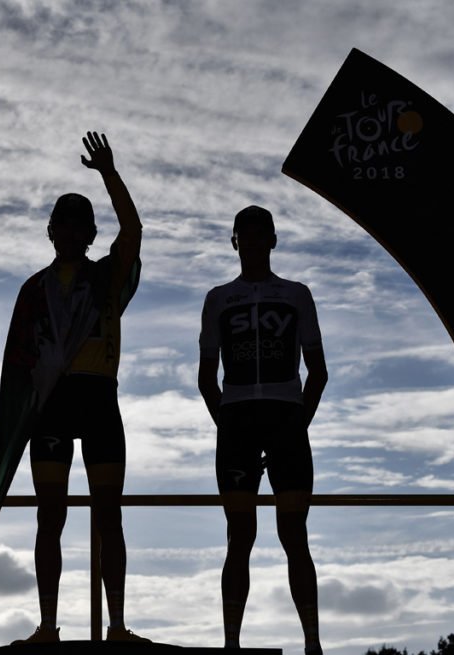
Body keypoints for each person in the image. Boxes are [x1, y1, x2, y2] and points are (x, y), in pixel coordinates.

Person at [5, 132, 147, 644]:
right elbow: (17, 369)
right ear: (50, 230)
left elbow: (132, 229)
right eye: (60, 221)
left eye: (77, 223)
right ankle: (47, 625)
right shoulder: (32, 288)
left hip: (99, 399)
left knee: (110, 515)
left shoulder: (109, 278)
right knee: (50, 517)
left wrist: (109, 172)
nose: (67, 230)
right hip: (53, 407)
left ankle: (117, 626)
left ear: (89, 232)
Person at [197, 206, 328, 654]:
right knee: (240, 535)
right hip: (237, 422)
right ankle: (231, 643)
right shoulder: (217, 298)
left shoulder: (297, 295)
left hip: (285, 420)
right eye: (243, 237)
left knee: (295, 534)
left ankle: (313, 642)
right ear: (234, 242)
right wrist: (228, 426)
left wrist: (296, 424)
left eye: (259, 236)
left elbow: (319, 372)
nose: (251, 244)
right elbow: (204, 377)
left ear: (273, 240)